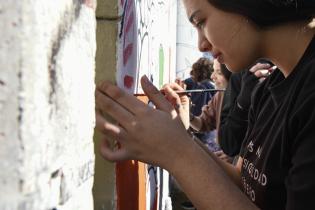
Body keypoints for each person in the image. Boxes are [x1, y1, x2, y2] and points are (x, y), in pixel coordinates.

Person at [95, 0, 315, 209]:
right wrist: (181, 137)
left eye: (201, 21)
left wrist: (176, 152)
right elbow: (245, 185)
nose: (201, 45)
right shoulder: (270, 87)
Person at [218, 60, 274, 156]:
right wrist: (242, 105)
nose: (212, 76)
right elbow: (228, 144)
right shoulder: (239, 76)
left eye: (218, 72)